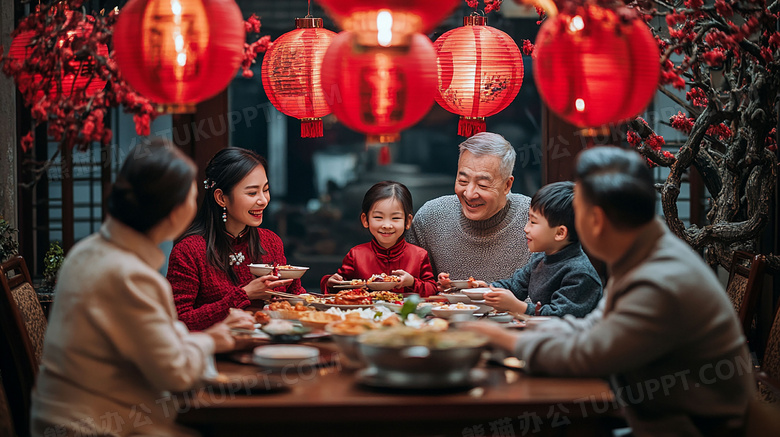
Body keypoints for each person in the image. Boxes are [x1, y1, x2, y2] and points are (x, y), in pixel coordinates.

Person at [464, 147, 753, 436]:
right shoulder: (643, 252)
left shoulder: (659, 279)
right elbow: (592, 327)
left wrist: (499, 338)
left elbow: (588, 355)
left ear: (596, 220)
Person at [31, 139, 235, 437]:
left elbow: (157, 337)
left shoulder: (89, 250)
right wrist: (211, 341)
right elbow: (175, 373)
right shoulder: (129, 275)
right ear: (173, 212)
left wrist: (206, 337)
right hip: (93, 426)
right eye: (192, 197)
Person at [167, 147, 305, 331]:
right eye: (252, 193)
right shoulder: (189, 251)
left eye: (266, 190)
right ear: (221, 198)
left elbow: (297, 297)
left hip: (272, 347)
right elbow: (179, 322)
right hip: (219, 353)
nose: (263, 200)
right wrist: (244, 295)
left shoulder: (271, 242)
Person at [407, 132, 532, 287]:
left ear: (507, 185)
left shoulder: (533, 218)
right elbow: (410, 288)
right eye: (463, 181)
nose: (470, 193)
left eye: (483, 185)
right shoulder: (431, 218)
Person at [480, 181, 602, 317]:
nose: (526, 228)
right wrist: (486, 289)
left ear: (560, 233)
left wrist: (519, 307)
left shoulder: (580, 274)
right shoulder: (540, 258)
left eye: (533, 222)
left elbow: (559, 316)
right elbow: (515, 286)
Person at [321, 181, 438, 297]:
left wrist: (412, 282)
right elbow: (339, 287)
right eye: (378, 217)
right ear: (365, 220)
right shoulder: (356, 255)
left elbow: (432, 289)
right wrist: (331, 283)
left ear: (407, 221)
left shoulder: (419, 255)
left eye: (395, 218)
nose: (387, 225)